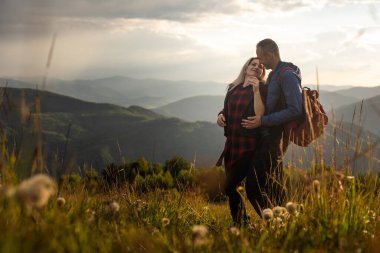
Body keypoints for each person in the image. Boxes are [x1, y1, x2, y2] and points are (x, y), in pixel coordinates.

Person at [242, 38, 303, 214]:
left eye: (260, 57)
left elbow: (295, 110)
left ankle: (276, 222)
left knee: (253, 187)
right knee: (273, 186)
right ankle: (283, 228)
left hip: (276, 139)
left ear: (269, 55)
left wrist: (264, 121)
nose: (259, 61)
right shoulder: (273, 74)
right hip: (268, 137)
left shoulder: (288, 75)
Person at [216, 57, 266, 226]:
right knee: (232, 189)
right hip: (232, 145)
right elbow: (227, 107)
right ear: (246, 68)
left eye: (261, 67)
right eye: (254, 64)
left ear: (262, 73)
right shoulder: (233, 88)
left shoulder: (261, 88)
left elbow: (261, 115)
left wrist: (257, 91)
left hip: (249, 147)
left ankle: (266, 221)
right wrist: (220, 116)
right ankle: (241, 224)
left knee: (231, 187)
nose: (257, 67)